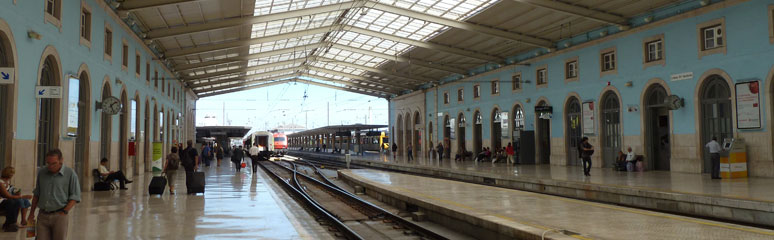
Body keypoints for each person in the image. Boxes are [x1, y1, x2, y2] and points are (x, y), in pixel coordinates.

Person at [28, 149, 81, 240]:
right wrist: (31, 213)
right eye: (48, 163)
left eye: (54, 163)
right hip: (43, 215)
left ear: (61, 160)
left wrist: (65, 211)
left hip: (60, 215)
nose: (50, 166)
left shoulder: (70, 173)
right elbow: (37, 194)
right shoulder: (42, 173)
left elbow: (75, 196)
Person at [0, 167, 32, 231]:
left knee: (25, 201)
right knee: (17, 201)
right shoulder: (1, 182)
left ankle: (23, 220)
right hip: (2, 201)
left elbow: (11, 193)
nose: (12, 175)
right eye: (11, 173)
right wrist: (22, 196)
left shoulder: (8, 181)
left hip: (8, 199)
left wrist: (17, 193)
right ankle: (13, 223)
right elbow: (7, 196)